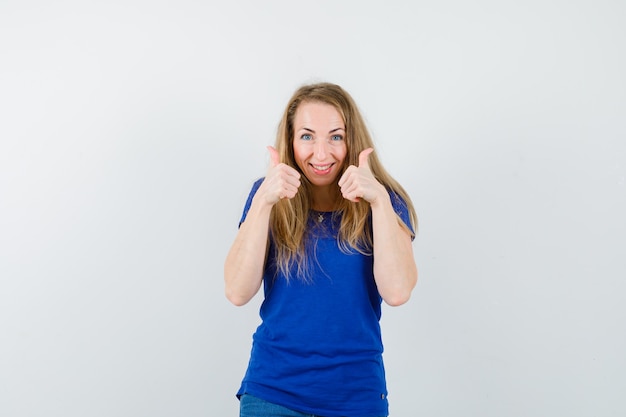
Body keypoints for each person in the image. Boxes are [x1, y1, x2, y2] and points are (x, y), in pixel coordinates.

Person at [224, 82, 418, 417]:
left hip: (357, 397)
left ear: (352, 139)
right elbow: (237, 292)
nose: (322, 153)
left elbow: (398, 291)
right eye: (307, 136)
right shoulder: (266, 197)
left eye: (336, 137)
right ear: (291, 140)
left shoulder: (383, 201)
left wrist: (380, 202)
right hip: (273, 393)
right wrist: (263, 203)